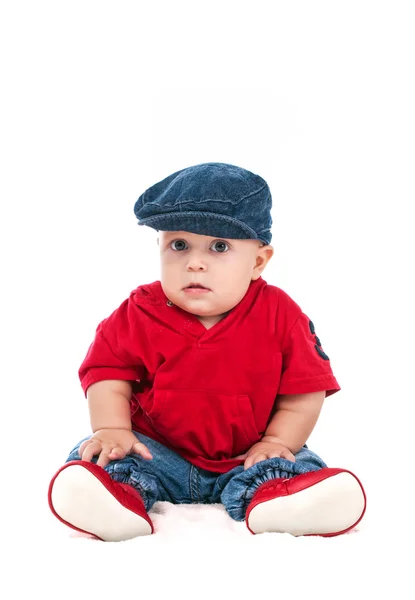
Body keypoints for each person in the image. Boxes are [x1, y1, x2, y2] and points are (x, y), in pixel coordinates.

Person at [48, 162, 366, 542]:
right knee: (105, 456)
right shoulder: (139, 311)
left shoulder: (281, 314)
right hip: (157, 454)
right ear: (159, 248)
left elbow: (303, 392)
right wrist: (112, 429)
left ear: (259, 261)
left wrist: (278, 442)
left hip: (246, 456)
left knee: (292, 463)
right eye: (178, 245)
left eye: (219, 246)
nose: (194, 262)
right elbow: (108, 376)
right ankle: (114, 500)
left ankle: (279, 501)